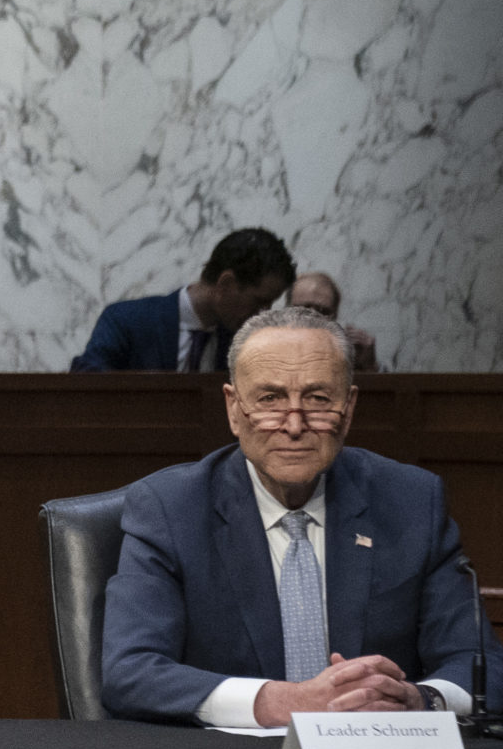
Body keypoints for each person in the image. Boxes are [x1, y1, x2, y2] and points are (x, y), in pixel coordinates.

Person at [100, 308, 486, 726]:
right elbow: (131, 672)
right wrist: (283, 702)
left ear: (349, 407)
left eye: (319, 399)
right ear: (233, 408)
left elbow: (480, 663)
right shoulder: (170, 508)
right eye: (270, 399)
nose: (295, 424)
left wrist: (419, 700)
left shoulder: (411, 501)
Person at [69, 228, 293, 372]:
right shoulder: (126, 321)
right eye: (258, 301)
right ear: (226, 284)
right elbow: (87, 386)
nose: (262, 313)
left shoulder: (246, 343)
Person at [285, 271, 382, 374]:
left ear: (334, 317)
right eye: (303, 309)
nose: (312, 318)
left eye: (323, 311)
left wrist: (367, 367)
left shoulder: (344, 358)